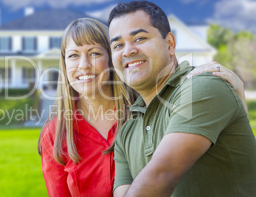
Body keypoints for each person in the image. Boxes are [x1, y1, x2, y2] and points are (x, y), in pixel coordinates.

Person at [38, 18, 248, 197]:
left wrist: (236, 92)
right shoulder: (55, 134)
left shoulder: (147, 108)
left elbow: (229, 154)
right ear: (64, 66)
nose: (83, 64)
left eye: (94, 53)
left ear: (112, 59)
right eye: (73, 55)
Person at [108, 0, 256, 197]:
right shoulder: (126, 133)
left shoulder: (202, 86)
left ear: (169, 44)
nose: (128, 51)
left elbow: (162, 175)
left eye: (139, 38)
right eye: (118, 45)